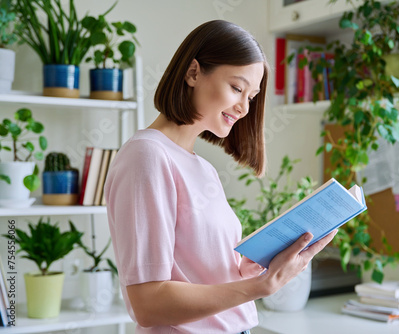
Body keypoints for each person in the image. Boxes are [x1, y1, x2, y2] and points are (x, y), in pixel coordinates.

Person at [103, 20, 337, 334]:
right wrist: (263, 286)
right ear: (193, 72)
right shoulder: (146, 156)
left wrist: (259, 261)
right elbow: (148, 303)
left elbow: (204, 271)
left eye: (251, 96)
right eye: (237, 88)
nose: (243, 107)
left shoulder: (202, 168)